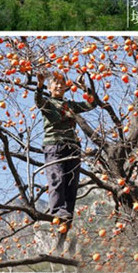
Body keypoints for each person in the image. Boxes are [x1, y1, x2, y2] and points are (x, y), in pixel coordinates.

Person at [35, 71, 97, 253]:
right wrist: (39, 86)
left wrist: (86, 88)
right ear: (49, 87)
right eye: (56, 83)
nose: (60, 86)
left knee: (71, 185)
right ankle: (57, 212)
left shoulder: (70, 104)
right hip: (55, 145)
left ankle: (65, 226)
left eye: (63, 84)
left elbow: (90, 104)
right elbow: (39, 102)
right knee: (57, 179)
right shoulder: (47, 101)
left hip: (73, 147)